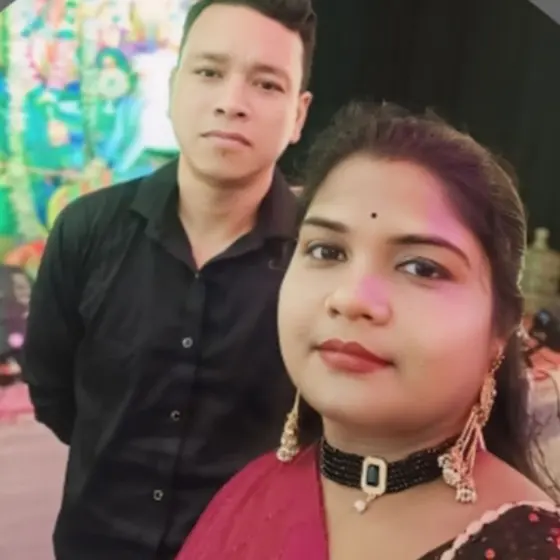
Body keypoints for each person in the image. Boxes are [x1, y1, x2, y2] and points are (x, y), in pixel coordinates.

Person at [176, 102, 560, 560]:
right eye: (327, 251)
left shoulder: (527, 547)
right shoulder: (248, 493)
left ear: (501, 327)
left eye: (421, 267)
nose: (351, 298)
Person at [22, 1, 315, 558]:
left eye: (266, 84)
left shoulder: (322, 257)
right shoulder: (87, 229)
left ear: (299, 115)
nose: (232, 102)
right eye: (209, 72)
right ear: (173, 87)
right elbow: (53, 390)